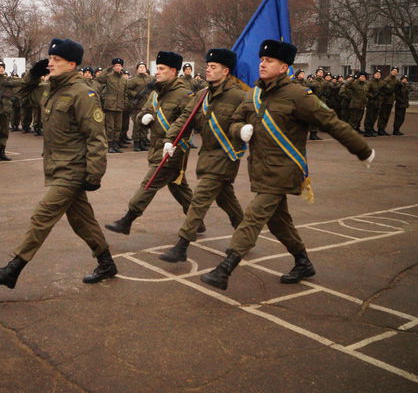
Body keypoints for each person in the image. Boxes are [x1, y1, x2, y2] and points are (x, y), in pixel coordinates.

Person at [200, 40, 375, 290]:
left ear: (284, 67)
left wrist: (362, 150)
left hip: (284, 170)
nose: (262, 64)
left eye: (269, 61)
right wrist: (240, 130)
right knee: (278, 221)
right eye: (262, 60)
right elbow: (234, 120)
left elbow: (331, 122)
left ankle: (225, 268)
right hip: (260, 169)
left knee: (253, 216)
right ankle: (303, 262)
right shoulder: (254, 93)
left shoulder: (298, 95)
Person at [0, 38, 115, 288]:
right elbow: (21, 95)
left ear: (72, 64)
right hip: (56, 166)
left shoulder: (83, 92)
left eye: (56, 60)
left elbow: (97, 137)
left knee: (42, 216)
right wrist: (33, 75)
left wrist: (95, 174)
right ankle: (107, 263)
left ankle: (13, 269)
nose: (50, 63)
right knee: (82, 221)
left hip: (73, 169)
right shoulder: (52, 88)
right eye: (50, 59)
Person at [159, 48, 247, 263]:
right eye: (207, 66)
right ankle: (245, 233)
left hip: (226, 155)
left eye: (213, 67)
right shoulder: (202, 94)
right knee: (226, 198)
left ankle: (181, 245)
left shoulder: (239, 95)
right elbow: (185, 118)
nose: (208, 69)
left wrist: (243, 130)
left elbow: (251, 120)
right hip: (207, 155)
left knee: (200, 199)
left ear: (226, 71)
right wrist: (170, 139)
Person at [105, 51, 202, 235]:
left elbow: (190, 122)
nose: (157, 72)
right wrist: (145, 117)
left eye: (161, 68)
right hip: (156, 146)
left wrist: (171, 141)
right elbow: (142, 111)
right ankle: (197, 220)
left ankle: (128, 220)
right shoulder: (157, 92)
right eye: (156, 68)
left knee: (149, 184)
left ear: (173, 71)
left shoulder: (184, 94)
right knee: (178, 187)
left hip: (173, 150)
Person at [96, 58, 127, 153]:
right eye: (116, 65)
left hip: (120, 106)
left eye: (119, 66)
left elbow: (125, 93)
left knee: (118, 127)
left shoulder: (124, 79)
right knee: (110, 127)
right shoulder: (108, 77)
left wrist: (125, 103)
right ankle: (110, 145)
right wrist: (108, 68)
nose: (118, 67)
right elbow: (99, 79)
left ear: (122, 67)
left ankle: (116, 144)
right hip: (110, 105)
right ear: (113, 67)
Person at [127, 62, 152, 152]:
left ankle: (143, 142)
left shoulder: (150, 79)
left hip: (147, 106)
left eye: (143, 67)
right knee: (137, 125)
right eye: (140, 67)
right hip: (138, 106)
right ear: (137, 69)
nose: (142, 69)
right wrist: (135, 95)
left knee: (145, 125)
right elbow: (127, 89)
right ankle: (136, 143)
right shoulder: (134, 80)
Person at [376, 67, 398, 136]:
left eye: (396, 71)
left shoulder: (396, 80)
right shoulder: (387, 79)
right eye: (393, 70)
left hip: (390, 101)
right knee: (383, 115)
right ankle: (380, 129)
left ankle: (383, 129)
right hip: (385, 100)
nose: (394, 72)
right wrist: (385, 94)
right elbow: (382, 88)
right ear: (391, 71)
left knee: (387, 116)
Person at [364, 69, 382, 137]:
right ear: (374, 75)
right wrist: (372, 96)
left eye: (379, 74)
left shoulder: (381, 83)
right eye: (377, 74)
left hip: (378, 103)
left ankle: (371, 129)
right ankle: (367, 130)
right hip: (371, 102)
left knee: (374, 117)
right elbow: (366, 91)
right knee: (369, 117)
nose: (378, 75)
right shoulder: (370, 83)